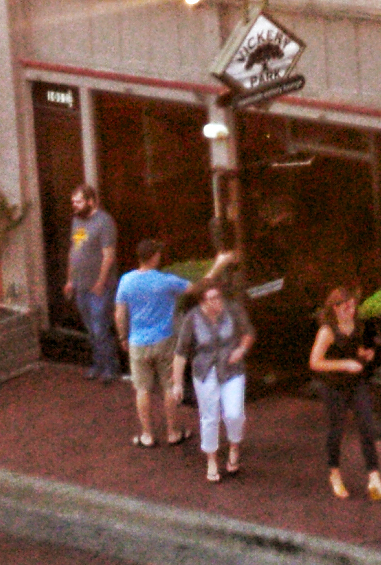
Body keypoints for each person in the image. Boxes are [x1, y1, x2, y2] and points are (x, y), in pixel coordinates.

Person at [307, 287, 381, 504]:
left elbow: (352, 348)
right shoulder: (327, 332)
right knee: (337, 430)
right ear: (335, 308)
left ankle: (374, 480)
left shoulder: (357, 326)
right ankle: (334, 473)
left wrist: (363, 354)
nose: (350, 311)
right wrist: (345, 364)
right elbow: (315, 362)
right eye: (346, 307)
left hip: (356, 383)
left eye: (352, 306)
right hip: (334, 386)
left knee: (367, 426)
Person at [114, 240, 190, 450]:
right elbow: (195, 288)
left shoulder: (126, 280)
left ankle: (147, 435)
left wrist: (122, 337)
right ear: (155, 256)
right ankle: (173, 432)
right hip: (164, 340)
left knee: (142, 389)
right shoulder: (166, 281)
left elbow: (120, 313)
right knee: (169, 386)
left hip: (137, 342)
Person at [182, 275, 254, 484]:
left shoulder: (232, 310)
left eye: (218, 297)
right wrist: (177, 382)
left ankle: (234, 446)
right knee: (209, 416)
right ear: (202, 302)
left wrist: (241, 350)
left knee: (234, 413)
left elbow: (248, 333)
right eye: (212, 298)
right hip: (205, 370)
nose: (217, 301)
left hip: (232, 367)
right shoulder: (193, 318)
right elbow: (181, 350)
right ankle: (211, 460)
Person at [63, 184, 122, 385]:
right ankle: (98, 364)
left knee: (100, 328)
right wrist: (70, 280)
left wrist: (100, 282)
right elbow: (74, 250)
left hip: (99, 288)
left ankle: (111, 368)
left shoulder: (104, 222)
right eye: (73, 202)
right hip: (80, 285)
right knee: (90, 328)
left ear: (91, 201)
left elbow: (108, 255)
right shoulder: (77, 221)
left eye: (79, 202)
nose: (75, 205)